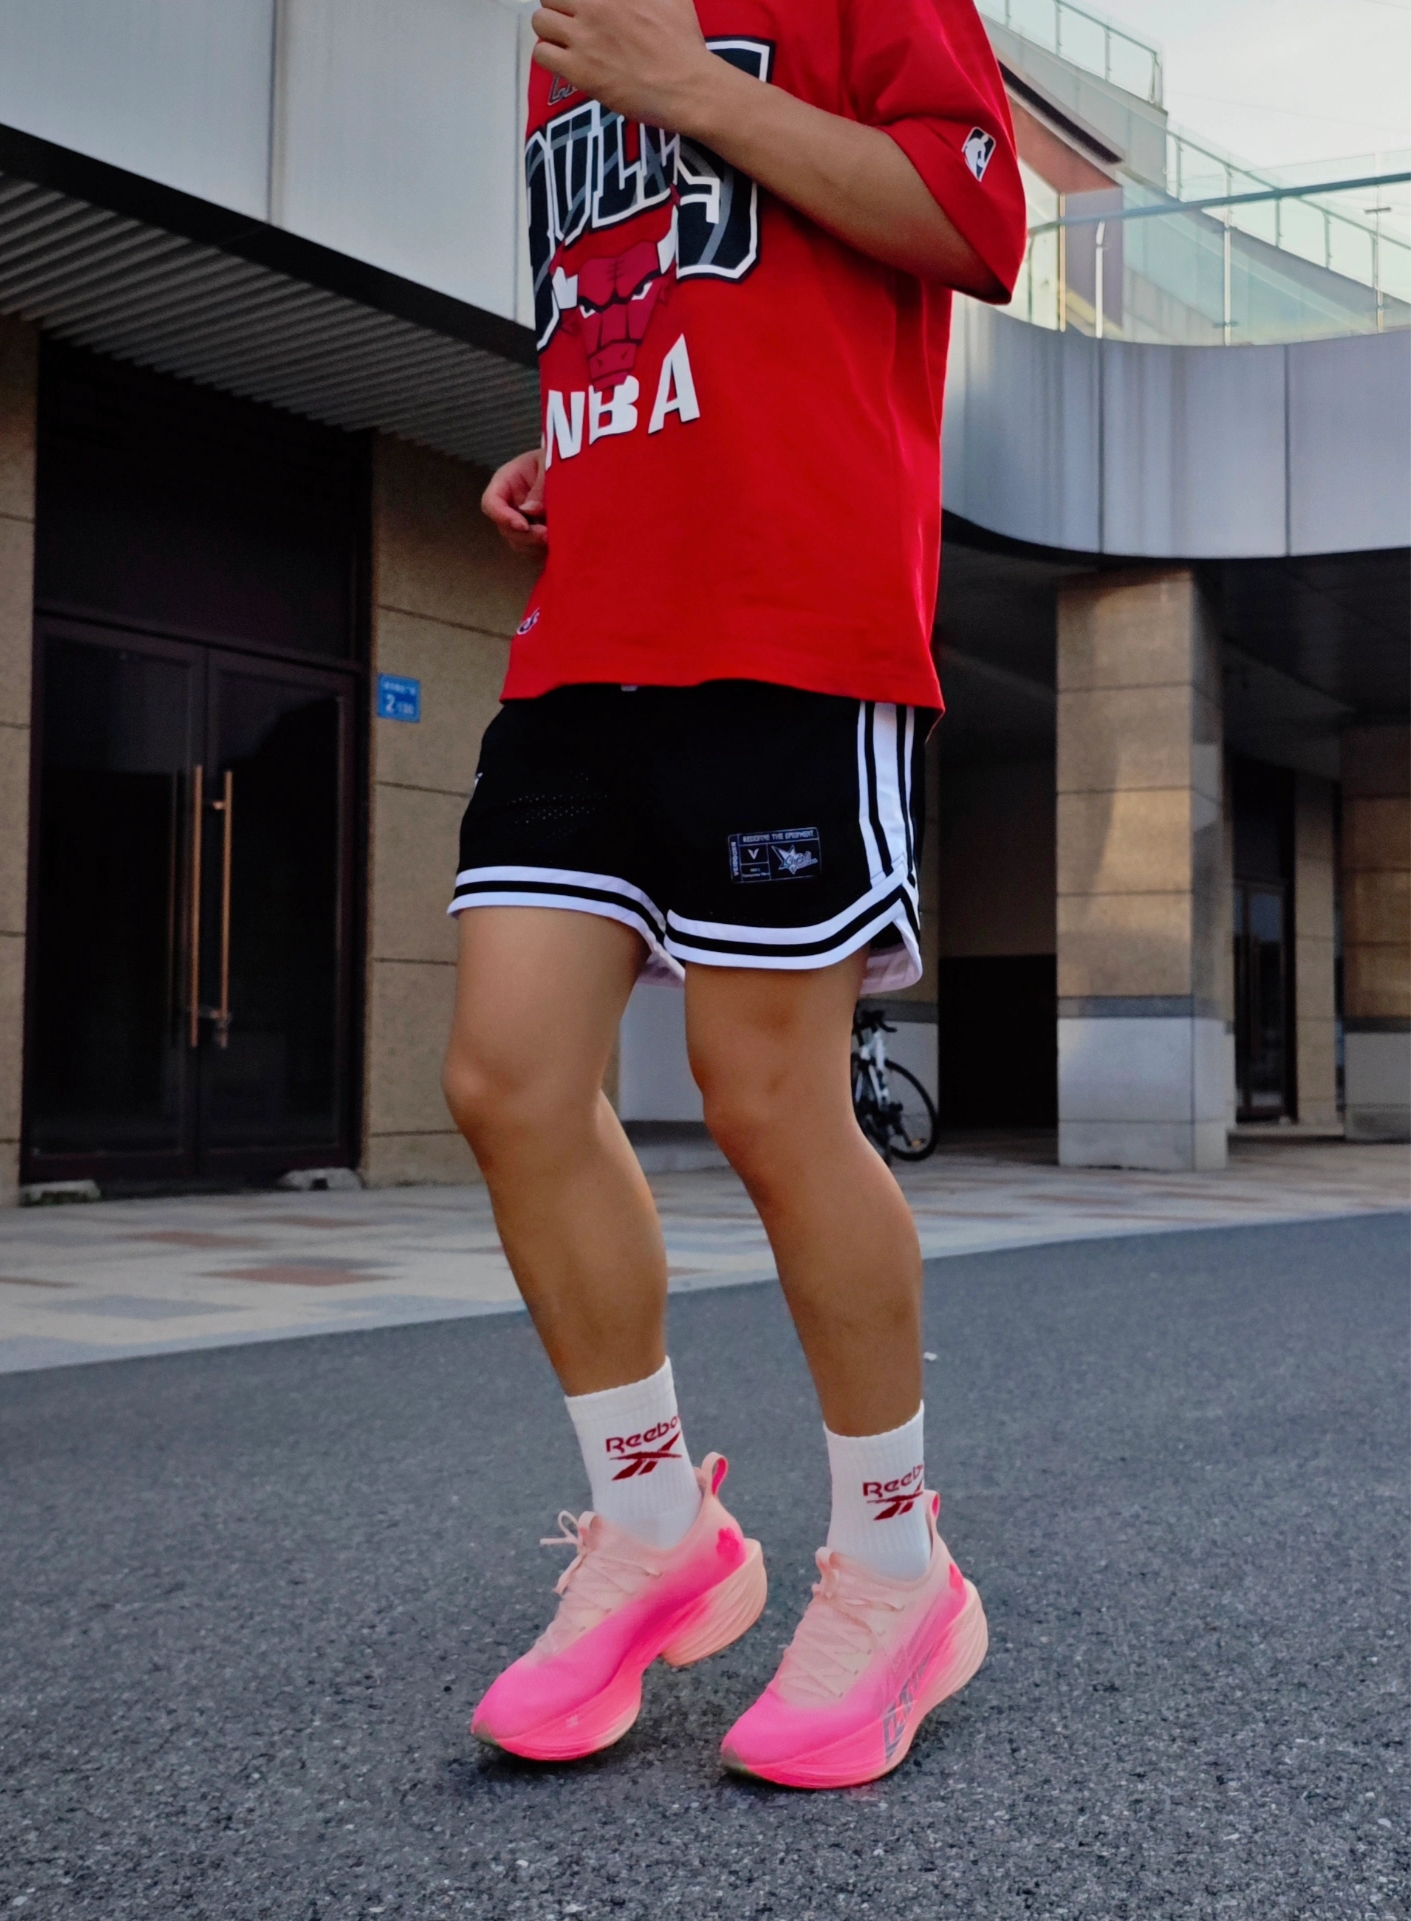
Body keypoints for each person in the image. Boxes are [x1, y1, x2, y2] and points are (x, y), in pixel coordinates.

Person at [443, 0, 1025, 1789]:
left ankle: (898, 1567)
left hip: (790, 624)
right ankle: (653, 1530)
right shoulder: (563, 39)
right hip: (591, 629)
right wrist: (581, 451)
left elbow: (973, 218)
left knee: (769, 1103)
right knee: (509, 1080)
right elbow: (677, 302)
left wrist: (685, 86)